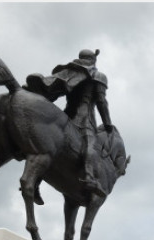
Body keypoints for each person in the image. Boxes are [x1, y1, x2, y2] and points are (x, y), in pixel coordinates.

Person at [25, 49, 113, 201]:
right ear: (93, 59)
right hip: (85, 121)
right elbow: (101, 101)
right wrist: (107, 123)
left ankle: (35, 182)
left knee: (47, 147)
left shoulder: (72, 72)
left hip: (65, 116)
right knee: (90, 145)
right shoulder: (98, 75)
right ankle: (89, 177)